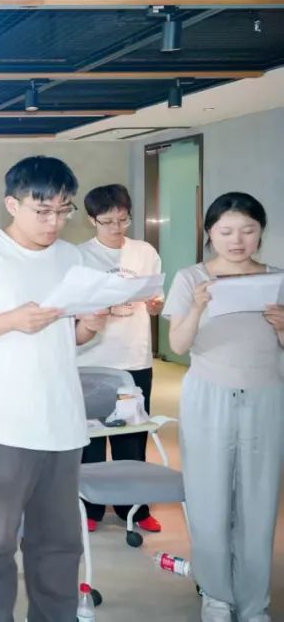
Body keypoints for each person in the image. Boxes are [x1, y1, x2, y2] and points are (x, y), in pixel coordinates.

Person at [0, 156, 107, 622]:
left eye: (63, 211)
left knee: (59, 541)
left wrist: (90, 326)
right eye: (43, 211)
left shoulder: (72, 257)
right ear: (13, 205)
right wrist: (13, 320)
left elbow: (69, 337)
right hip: (3, 423)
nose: (54, 222)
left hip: (63, 421)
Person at [163, 192, 283, 622]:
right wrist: (197, 307)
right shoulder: (190, 278)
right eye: (226, 231)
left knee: (260, 503)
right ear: (210, 233)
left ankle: (254, 603)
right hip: (208, 396)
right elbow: (178, 345)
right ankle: (215, 596)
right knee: (208, 499)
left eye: (248, 231)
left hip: (265, 396)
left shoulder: (277, 279)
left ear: (260, 233)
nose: (237, 240)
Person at [76, 184, 165, 534]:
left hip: (134, 358)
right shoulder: (79, 256)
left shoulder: (144, 252)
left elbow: (156, 300)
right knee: (91, 440)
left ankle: (136, 510)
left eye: (123, 220)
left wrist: (155, 304)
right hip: (92, 360)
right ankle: (91, 507)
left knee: (132, 438)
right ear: (92, 220)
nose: (116, 227)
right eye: (108, 221)